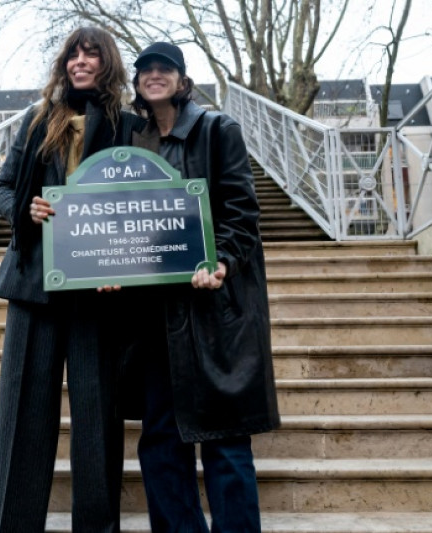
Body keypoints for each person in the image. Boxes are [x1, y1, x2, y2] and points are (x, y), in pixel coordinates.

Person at [0, 27, 142, 533]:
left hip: (97, 289)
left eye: (91, 53)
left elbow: (140, 202)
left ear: (106, 63)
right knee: (23, 417)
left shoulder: (128, 126)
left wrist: (125, 267)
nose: (80, 60)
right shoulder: (35, 119)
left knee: (97, 421)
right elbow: (0, 188)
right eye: (73, 53)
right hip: (33, 283)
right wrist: (24, 209)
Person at [122, 42, 281, 532]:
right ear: (137, 82)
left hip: (212, 307)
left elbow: (242, 212)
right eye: (145, 69)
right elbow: (120, 218)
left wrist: (223, 264)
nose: (154, 75)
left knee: (225, 437)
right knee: (161, 438)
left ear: (182, 78)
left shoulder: (217, 129)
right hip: (152, 309)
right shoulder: (132, 142)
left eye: (163, 68)